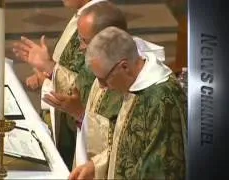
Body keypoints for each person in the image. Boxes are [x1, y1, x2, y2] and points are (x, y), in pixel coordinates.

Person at [42, 1, 167, 169]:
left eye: (85, 41)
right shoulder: (98, 65)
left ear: (105, 39)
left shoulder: (145, 88)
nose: (81, 47)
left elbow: (125, 142)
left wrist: (81, 114)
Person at [69, 27, 187, 180]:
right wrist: (96, 166)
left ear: (124, 66)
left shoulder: (161, 101)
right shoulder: (135, 85)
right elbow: (128, 149)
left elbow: (158, 172)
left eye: (104, 79)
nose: (102, 87)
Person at [12, 0, 106, 170]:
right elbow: (71, 66)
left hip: (84, 130)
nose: (83, 46)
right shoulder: (83, 15)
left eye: (85, 42)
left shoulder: (98, 21)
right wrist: (46, 73)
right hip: (63, 119)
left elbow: (89, 85)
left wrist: (49, 67)